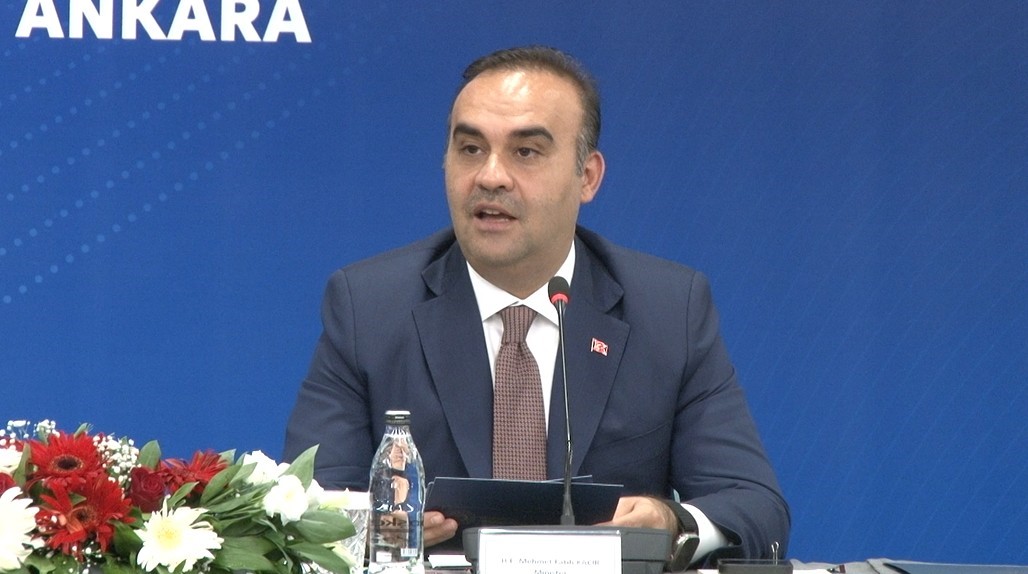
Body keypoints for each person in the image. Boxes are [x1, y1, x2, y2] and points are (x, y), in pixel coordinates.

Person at [284, 45, 789, 567]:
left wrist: (671, 522)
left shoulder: (667, 309)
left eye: (525, 152)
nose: (491, 176)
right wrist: (380, 527)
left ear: (587, 177)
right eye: (470, 149)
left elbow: (754, 507)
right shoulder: (368, 307)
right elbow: (307, 515)